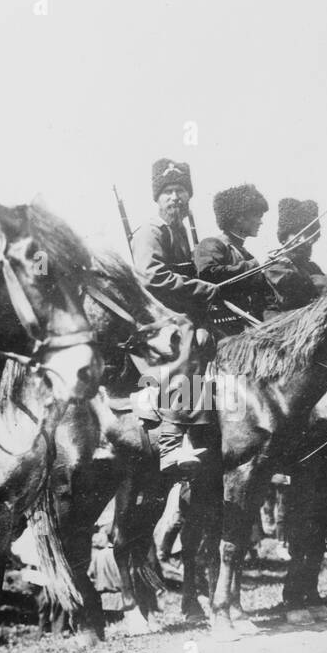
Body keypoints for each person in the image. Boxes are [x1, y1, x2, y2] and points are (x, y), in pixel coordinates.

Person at [129, 158, 217, 475]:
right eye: (168, 192)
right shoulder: (151, 231)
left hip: (177, 313)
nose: (175, 198)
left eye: (181, 190)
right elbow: (152, 277)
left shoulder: (182, 235)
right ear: (157, 198)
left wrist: (205, 320)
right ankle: (170, 440)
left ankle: (195, 428)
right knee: (187, 342)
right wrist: (200, 288)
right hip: (153, 316)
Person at [193, 183, 272, 336]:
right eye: (257, 216)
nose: (260, 222)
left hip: (251, 328)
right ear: (239, 218)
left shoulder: (245, 253)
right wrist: (255, 265)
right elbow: (209, 275)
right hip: (226, 331)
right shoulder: (211, 244)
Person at [263, 197, 327, 312]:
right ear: (284, 238)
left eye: (307, 235)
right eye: (296, 233)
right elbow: (296, 287)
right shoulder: (274, 265)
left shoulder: (312, 267)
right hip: (279, 321)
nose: (303, 240)